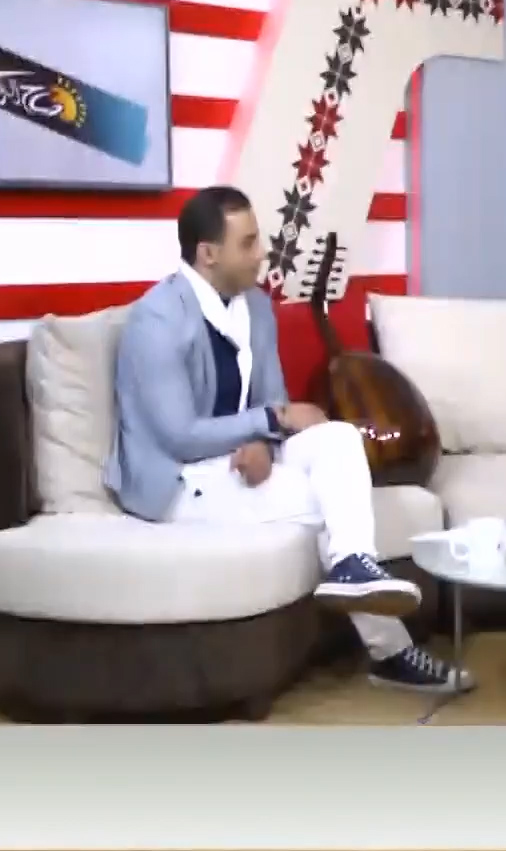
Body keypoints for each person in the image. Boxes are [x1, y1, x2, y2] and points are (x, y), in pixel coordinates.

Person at [104, 186, 474, 695]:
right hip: (177, 481)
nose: (262, 255)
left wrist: (264, 441)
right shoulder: (158, 320)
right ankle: (391, 653)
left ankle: (352, 567)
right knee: (328, 502)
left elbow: (271, 399)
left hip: (240, 459)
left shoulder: (255, 307)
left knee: (338, 438)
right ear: (208, 254)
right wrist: (269, 422)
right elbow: (181, 436)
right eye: (248, 244)